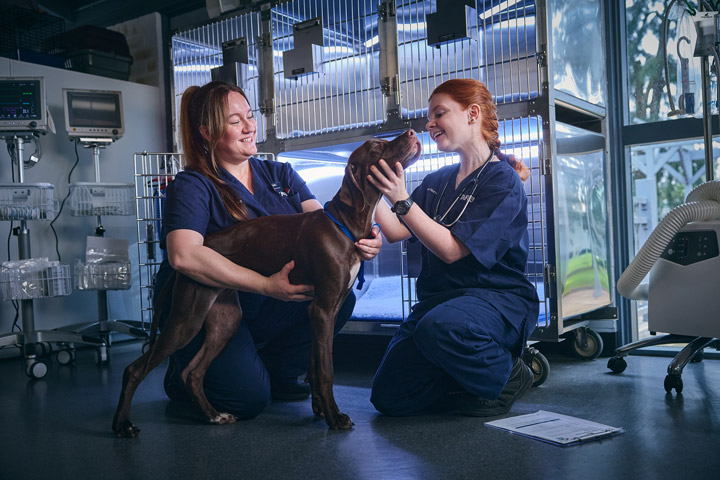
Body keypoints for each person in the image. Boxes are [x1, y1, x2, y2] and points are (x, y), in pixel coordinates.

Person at [155, 81, 382, 419]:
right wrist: (264, 284)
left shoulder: (280, 174)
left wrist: (365, 238)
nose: (249, 127)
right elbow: (183, 255)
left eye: (250, 115)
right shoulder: (193, 185)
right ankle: (182, 370)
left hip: (269, 302)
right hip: (214, 303)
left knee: (340, 297)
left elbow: (329, 228)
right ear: (207, 132)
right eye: (235, 121)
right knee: (246, 401)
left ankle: (274, 371)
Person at [367, 78, 539, 417]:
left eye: (439, 113)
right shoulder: (437, 182)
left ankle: (511, 374)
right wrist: (368, 187)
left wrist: (401, 200)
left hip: (494, 299)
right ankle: (465, 377)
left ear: (472, 113)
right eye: (429, 116)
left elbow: (451, 250)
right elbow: (394, 230)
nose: (429, 124)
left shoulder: (502, 180)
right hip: (439, 303)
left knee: (441, 328)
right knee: (389, 397)